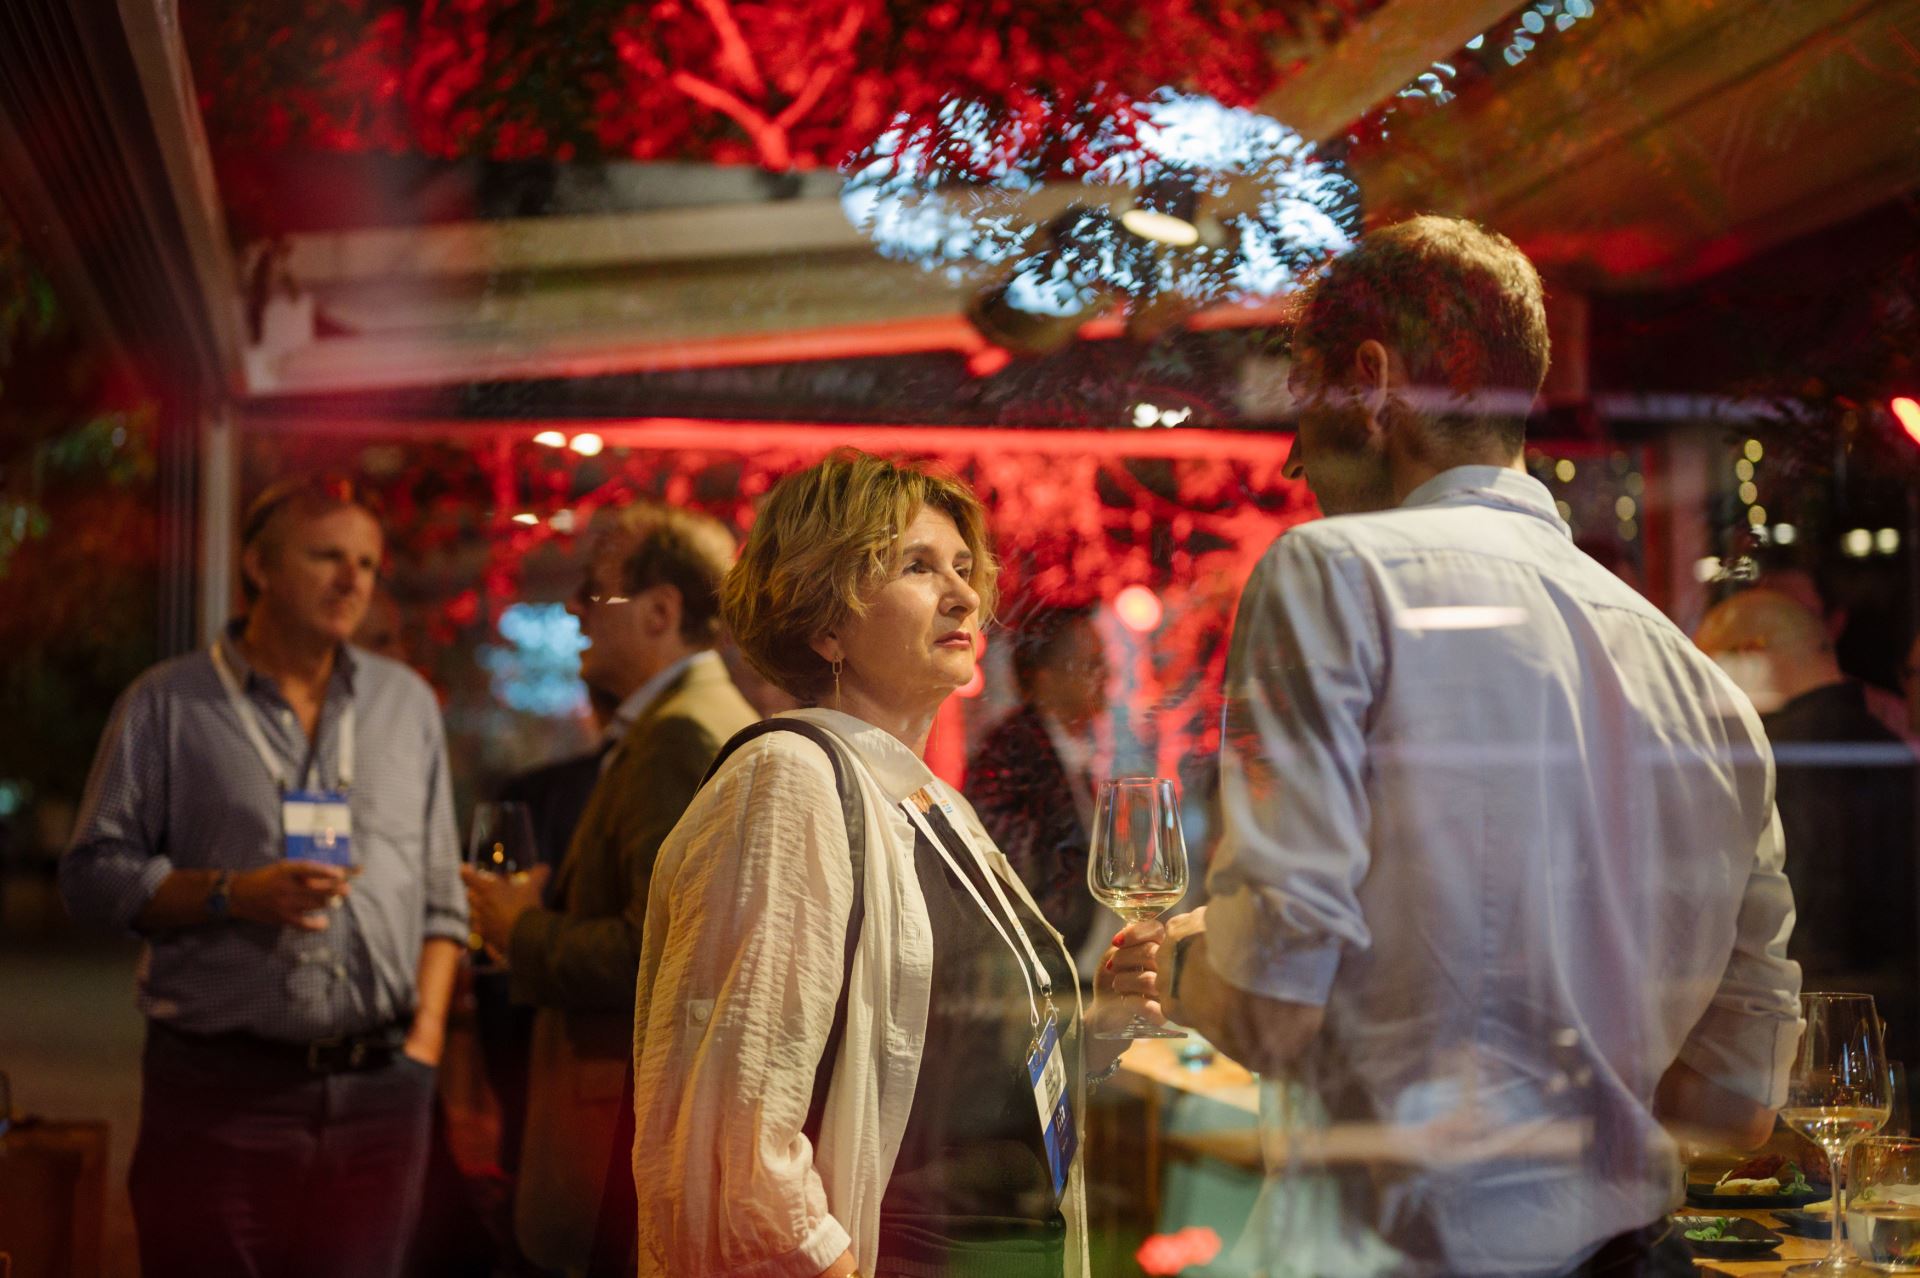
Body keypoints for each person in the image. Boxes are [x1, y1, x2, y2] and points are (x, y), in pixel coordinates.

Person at [1154, 217, 1803, 1276]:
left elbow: (1269, 1016)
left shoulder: (1331, 574)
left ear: (1372, 384)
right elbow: (1734, 1109)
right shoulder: (1712, 697)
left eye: (1302, 413)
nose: (1298, 461)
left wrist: (1181, 963)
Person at [625, 450, 1160, 1278]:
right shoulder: (790, 779)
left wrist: (1103, 1025)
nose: (964, 596)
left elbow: (968, 1088)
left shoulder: (931, 805)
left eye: (963, 568)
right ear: (825, 623)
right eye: (916, 566)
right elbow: (741, 1148)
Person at [60, 474, 467, 1278]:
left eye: (366, 563)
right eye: (326, 556)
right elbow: (92, 876)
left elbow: (441, 896)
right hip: (219, 1094)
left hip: (379, 1098)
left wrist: (421, 1050)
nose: (352, 580)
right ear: (258, 565)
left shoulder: (405, 704)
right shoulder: (168, 703)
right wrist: (232, 894)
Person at [462, 503, 758, 1274]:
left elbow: (656, 953)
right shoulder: (685, 718)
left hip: (619, 1134)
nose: (575, 611)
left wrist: (519, 926)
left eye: (595, 591)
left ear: (660, 612)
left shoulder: (677, 733)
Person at [1696, 588, 1918, 1065]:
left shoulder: (1760, 761)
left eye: (1707, 669)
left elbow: (1759, 933)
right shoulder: (1894, 750)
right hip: (1901, 1037)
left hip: (1798, 1041)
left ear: (1751, 654)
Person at [967, 604, 1110, 961]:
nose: (1108, 675)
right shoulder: (1013, 753)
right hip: (1035, 964)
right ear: (1046, 678)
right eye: (1092, 664)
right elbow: (1007, 875)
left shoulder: (1064, 749)